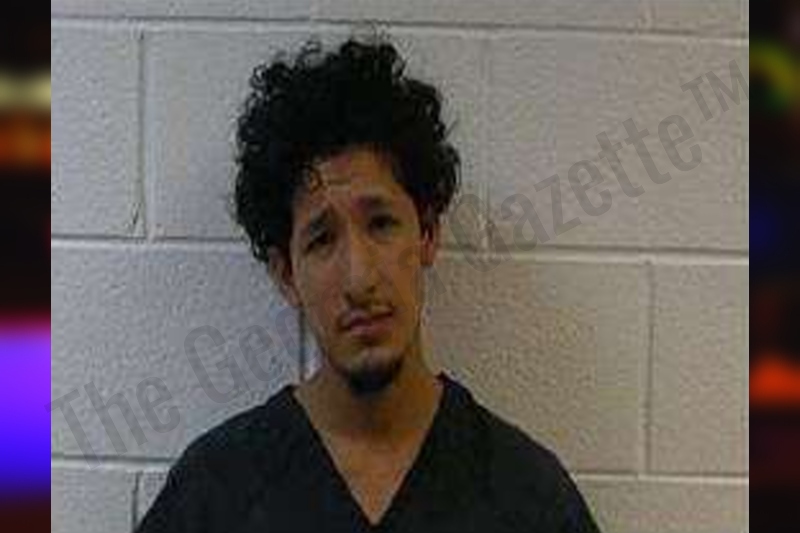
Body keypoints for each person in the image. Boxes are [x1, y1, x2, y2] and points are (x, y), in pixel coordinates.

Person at [136, 33, 602, 533]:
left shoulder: (528, 498)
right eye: (322, 240)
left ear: (427, 234)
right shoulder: (215, 495)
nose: (359, 277)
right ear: (286, 273)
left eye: (381, 224)